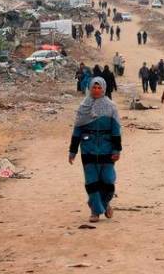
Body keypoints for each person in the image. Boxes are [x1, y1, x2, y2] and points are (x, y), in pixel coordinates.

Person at [68, 77, 122, 223]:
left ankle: (104, 203)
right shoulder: (83, 107)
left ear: (104, 88)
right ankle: (95, 212)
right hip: (88, 149)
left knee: (108, 181)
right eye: (94, 88)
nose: (96, 91)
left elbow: (116, 130)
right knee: (92, 182)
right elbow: (77, 130)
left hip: (107, 148)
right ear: (90, 88)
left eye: (99, 88)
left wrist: (116, 150)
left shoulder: (111, 107)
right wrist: (73, 151)